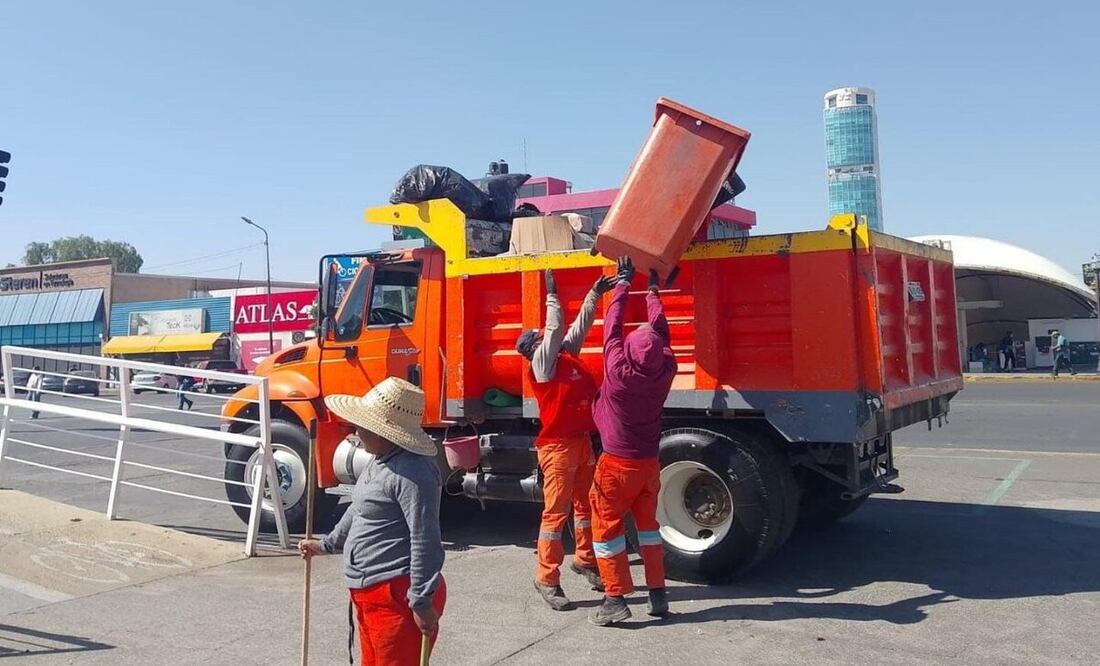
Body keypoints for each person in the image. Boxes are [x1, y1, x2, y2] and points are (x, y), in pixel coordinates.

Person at [298, 377, 446, 665]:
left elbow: (425, 537)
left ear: (386, 433)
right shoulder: (381, 461)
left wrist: (421, 599)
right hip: (370, 595)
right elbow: (359, 508)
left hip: (397, 596)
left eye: (363, 426)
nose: (356, 431)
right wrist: (326, 545)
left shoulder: (414, 473)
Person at [515, 268, 617, 610]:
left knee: (586, 506)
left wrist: (593, 294)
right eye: (543, 340)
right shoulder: (542, 365)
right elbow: (557, 327)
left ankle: (585, 560)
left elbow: (578, 328)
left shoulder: (563, 357)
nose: (551, 340)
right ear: (535, 350)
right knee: (555, 515)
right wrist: (552, 295)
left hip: (580, 442)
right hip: (557, 448)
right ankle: (546, 577)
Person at [589, 257, 677, 626]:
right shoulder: (665, 369)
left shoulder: (619, 371)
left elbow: (612, 326)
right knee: (648, 530)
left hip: (616, 466)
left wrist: (624, 284)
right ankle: (658, 594)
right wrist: (652, 291)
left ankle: (614, 599)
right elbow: (660, 334)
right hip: (648, 465)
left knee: (606, 529)